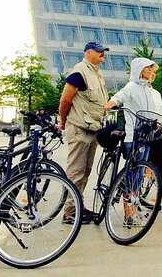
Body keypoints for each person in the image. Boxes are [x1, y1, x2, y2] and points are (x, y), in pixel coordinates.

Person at [104, 58, 162, 214]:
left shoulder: (151, 92)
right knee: (133, 173)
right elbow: (118, 97)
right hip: (134, 136)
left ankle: (135, 208)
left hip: (150, 137)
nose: (152, 72)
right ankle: (128, 213)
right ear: (140, 69)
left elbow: (159, 114)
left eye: (153, 69)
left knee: (139, 174)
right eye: (149, 68)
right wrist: (109, 105)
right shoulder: (131, 87)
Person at [58, 41, 110, 224]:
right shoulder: (79, 71)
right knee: (76, 172)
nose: (102, 54)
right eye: (99, 51)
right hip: (79, 128)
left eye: (103, 51)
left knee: (86, 171)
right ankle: (70, 213)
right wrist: (63, 121)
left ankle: (78, 207)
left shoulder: (97, 73)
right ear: (88, 53)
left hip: (93, 129)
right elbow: (65, 100)